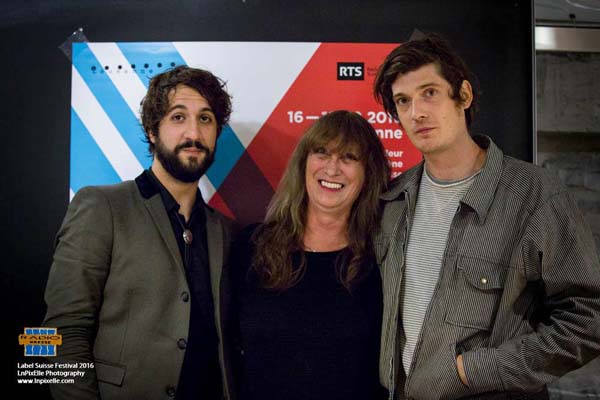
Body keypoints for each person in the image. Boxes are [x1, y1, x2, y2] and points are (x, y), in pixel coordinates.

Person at [372, 32, 600, 399]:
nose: (417, 112)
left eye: (429, 92)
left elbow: (588, 320)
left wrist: (472, 370)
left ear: (463, 95)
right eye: (403, 101)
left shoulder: (534, 194)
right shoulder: (393, 201)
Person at [43, 65, 236, 400]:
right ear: (152, 129)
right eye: (178, 117)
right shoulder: (101, 207)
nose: (194, 132)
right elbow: (55, 335)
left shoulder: (226, 232)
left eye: (205, 119)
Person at [231, 110, 390, 400]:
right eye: (322, 153)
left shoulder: (381, 259)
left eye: (349, 158)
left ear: (369, 173)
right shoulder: (252, 246)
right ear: (303, 163)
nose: (332, 168)